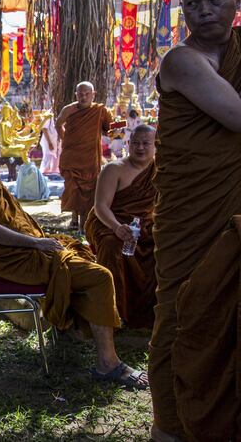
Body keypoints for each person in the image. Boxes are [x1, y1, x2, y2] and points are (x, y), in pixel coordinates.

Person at [0, 126, 148, 389]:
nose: (0, 147)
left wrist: (39, 241)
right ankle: (108, 364)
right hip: (8, 262)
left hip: (22, 253)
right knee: (100, 276)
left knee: (82, 257)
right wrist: (35, 243)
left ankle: (71, 332)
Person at [150, 0, 241, 442]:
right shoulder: (181, 61)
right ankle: (169, 427)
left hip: (233, 211)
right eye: (192, 3)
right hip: (192, 217)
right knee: (182, 315)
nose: (203, 10)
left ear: (235, 1)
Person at [84, 125, 157, 329]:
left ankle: (154, 311)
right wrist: (117, 228)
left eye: (146, 143)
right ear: (128, 144)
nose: (140, 148)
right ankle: (112, 313)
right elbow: (100, 207)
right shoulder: (114, 169)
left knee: (166, 246)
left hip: (145, 226)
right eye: (135, 143)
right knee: (112, 245)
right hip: (109, 223)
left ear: (155, 146)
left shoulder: (161, 171)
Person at [56, 82, 112, 231]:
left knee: (89, 188)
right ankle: (74, 219)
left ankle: (86, 222)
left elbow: (110, 128)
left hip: (90, 157)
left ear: (93, 95)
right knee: (73, 187)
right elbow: (58, 123)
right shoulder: (69, 109)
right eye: (80, 94)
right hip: (72, 156)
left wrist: (118, 129)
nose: (84, 97)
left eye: (87, 94)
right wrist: (66, 140)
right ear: (76, 95)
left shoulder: (100, 111)